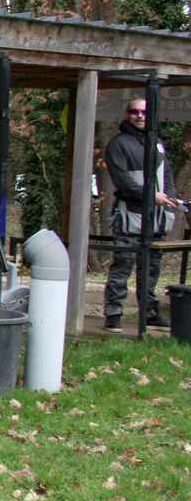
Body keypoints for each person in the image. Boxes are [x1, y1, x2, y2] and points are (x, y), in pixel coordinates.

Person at [102, 98, 181, 330]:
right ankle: (113, 314)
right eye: (134, 111)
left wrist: (169, 199)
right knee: (122, 267)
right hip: (129, 217)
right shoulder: (118, 144)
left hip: (155, 218)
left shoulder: (156, 143)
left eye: (144, 112)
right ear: (127, 114)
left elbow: (167, 176)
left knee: (151, 269)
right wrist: (151, 195)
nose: (139, 116)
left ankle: (149, 312)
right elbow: (123, 181)